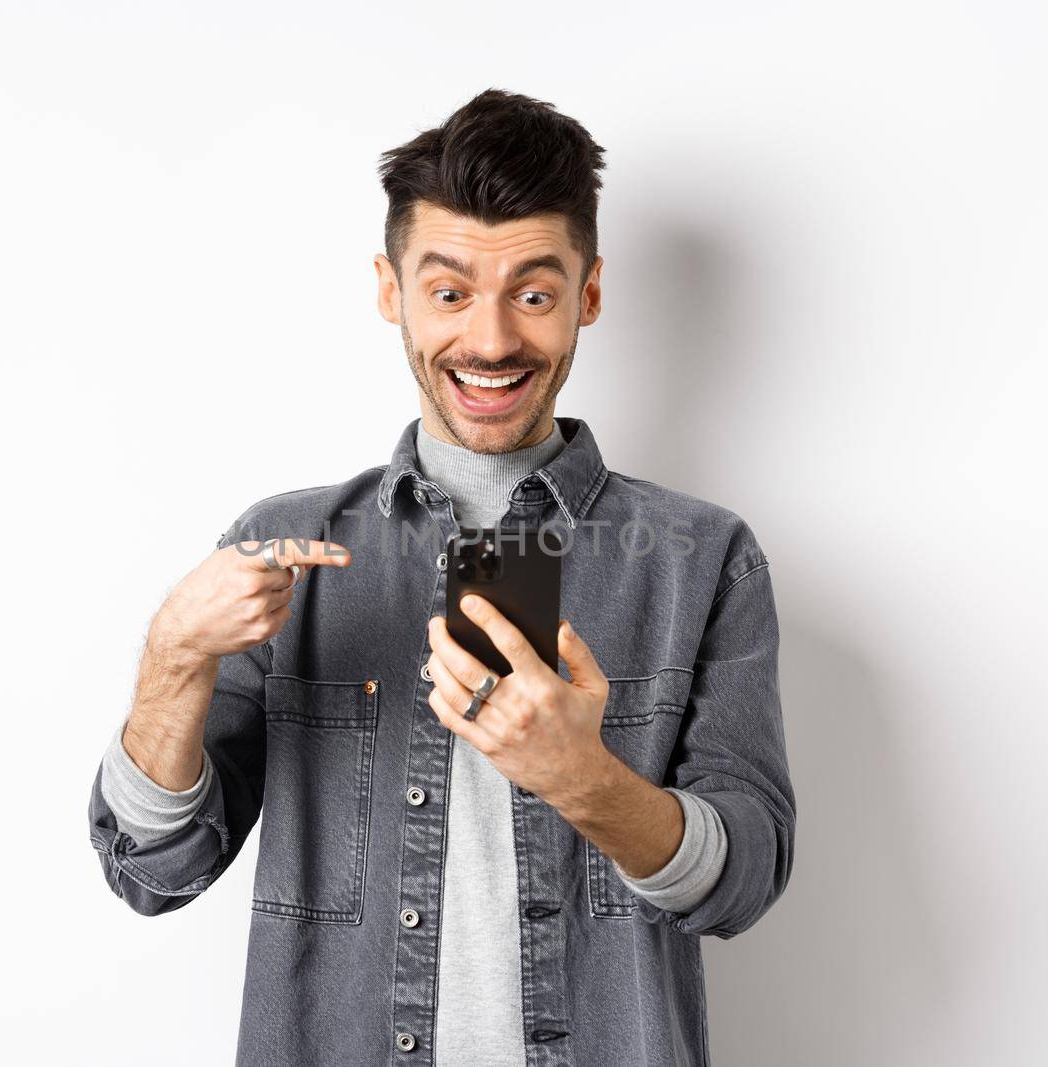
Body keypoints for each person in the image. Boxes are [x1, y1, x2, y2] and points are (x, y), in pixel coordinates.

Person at [87, 87, 796, 1066]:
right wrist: (169, 662)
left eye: (534, 294)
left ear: (589, 294)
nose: (493, 340)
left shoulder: (699, 558)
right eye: (450, 290)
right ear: (392, 291)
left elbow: (745, 876)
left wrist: (584, 780)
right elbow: (154, 871)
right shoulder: (283, 544)